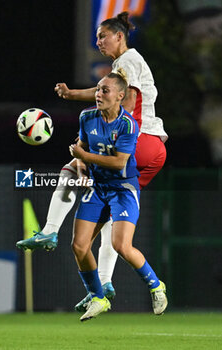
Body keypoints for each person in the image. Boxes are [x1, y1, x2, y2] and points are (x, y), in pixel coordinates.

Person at [16, 12, 168, 311]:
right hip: (152, 149)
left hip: (140, 141)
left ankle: (49, 229)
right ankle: (104, 281)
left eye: (103, 36)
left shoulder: (127, 62)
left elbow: (126, 102)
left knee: (73, 167)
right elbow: (107, 92)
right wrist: (73, 95)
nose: (98, 42)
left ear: (119, 36)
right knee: (114, 208)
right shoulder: (121, 67)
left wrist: (97, 141)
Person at [69, 71, 167, 321]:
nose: (98, 94)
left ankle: (156, 286)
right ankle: (98, 297)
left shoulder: (127, 124)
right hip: (98, 188)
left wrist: (85, 158)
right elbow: (82, 148)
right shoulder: (86, 117)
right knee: (79, 246)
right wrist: (81, 167)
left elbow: (119, 162)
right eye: (98, 89)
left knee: (121, 245)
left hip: (123, 188)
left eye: (105, 90)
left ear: (120, 97)